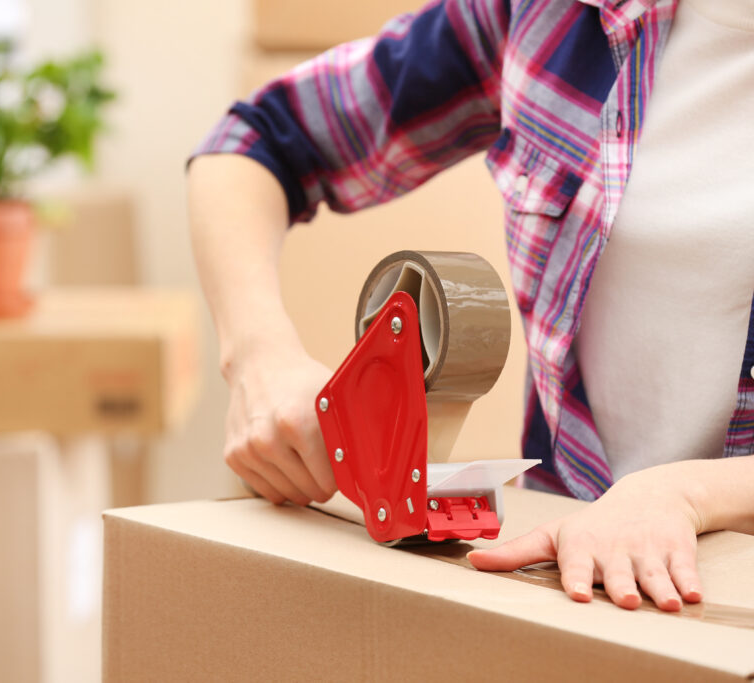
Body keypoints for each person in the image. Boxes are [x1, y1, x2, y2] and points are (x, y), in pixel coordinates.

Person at [187, 0, 754, 613]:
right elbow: (255, 140)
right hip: (565, 595)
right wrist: (258, 357)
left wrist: (686, 493)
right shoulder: (549, 17)